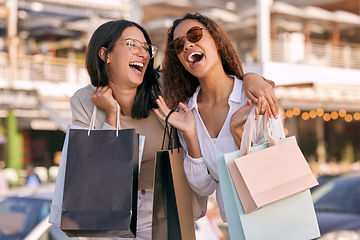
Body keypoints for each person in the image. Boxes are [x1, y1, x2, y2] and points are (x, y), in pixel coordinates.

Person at [71, 19, 280, 239]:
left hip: (166, 212)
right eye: (132, 44)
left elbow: (213, 79)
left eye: (146, 48)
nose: (142, 53)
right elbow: (92, 173)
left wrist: (251, 78)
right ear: (105, 54)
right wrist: (111, 119)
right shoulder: (85, 102)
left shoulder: (165, 88)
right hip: (113, 213)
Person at [154, 13, 285, 222]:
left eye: (195, 35)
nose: (187, 45)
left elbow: (276, 167)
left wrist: (238, 133)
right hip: (236, 227)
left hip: (276, 222)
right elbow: (204, 188)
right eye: (178, 46)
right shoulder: (186, 112)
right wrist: (190, 136)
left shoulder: (252, 95)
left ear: (216, 40)